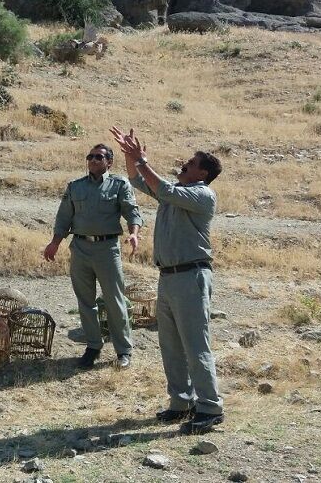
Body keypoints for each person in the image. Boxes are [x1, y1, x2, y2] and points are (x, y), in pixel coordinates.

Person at [110, 125, 224, 434]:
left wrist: (142, 159)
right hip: (170, 278)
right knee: (171, 344)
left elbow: (163, 189)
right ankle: (181, 403)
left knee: (195, 344)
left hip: (191, 277)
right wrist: (131, 157)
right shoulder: (176, 194)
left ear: (202, 173)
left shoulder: (202, 195)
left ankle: (210, 408)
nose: (185, 164)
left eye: (192, 162)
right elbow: (137, 180)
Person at [43, 144, 142, 370]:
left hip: (107, 249)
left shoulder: (119, 185)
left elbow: (132, 211)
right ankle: (93, 347)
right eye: (90, 156)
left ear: (109, 162)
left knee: (114, 301)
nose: (94, 160)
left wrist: (134, 234)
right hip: (80, 248)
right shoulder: (76, 187)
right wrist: (54, 243)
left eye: (99, 157)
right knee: (85, 302)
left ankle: (123, 351)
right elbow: (64, 217)